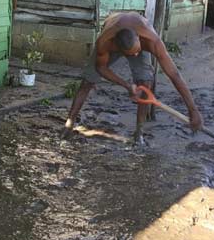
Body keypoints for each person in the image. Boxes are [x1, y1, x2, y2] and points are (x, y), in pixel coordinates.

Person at [62, 12, 202, 144]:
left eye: (136, 52)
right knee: (87, 82)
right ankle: (69, 124)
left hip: (139, 37)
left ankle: (139, 133)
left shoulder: (152, 40)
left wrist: (192, 110)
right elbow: (101, 68)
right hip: (114, 28)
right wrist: (127, 86)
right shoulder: (105, 42)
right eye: (130, 54)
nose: (134, 56)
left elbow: (174, 75)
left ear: (139, 39)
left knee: (145, 82)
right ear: (116, 47)